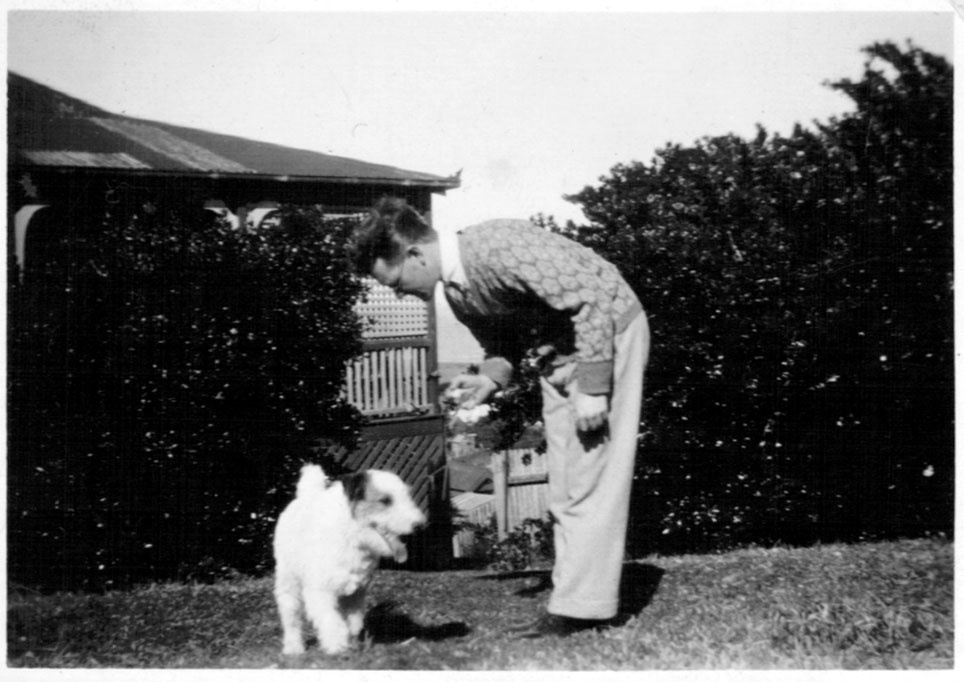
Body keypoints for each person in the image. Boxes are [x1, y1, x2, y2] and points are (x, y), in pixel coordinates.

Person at [350, 197, 650, 638]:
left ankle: (583, 608)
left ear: (415, 254)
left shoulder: (497, 246)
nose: (397, 293)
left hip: (607, 338)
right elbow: (502, 348)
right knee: (567, 481)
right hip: (559, 353)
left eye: (394, 282)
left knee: (593, 476)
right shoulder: (455, 291)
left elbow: (590, 301)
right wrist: (489, 379)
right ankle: (575, 595)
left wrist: (595, 386)